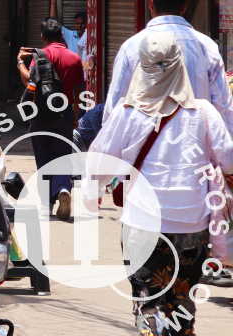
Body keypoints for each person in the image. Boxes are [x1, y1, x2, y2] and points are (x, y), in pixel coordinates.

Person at [87, 33, 233, 336]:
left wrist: (92, 196)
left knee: (149, 301)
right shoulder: (204, 113)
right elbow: (229, 160)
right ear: (180, 66)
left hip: (142, 226)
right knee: (181, 303)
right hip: (192, 226)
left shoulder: (127, 113)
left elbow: (100, 161)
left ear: (142, 67)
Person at [106, 0, 233, 129]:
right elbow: (224, 110)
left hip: (142, 150)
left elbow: (114, 109)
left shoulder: (132, 47)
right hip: (195, 149)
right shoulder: (206, 47)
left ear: (150, 2)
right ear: (185, 5)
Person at [17, 18, 84, 220]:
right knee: (62, 155)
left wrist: (20, 61)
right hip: (64, 115)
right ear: (62, 36)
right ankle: (63, 187)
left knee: (44, 157)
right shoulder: (74, 58)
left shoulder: (41, 56)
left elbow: (29, 80)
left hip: (40, 115)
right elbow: (79, 91)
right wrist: (76, 115)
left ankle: (46, 203)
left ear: (43, 37)